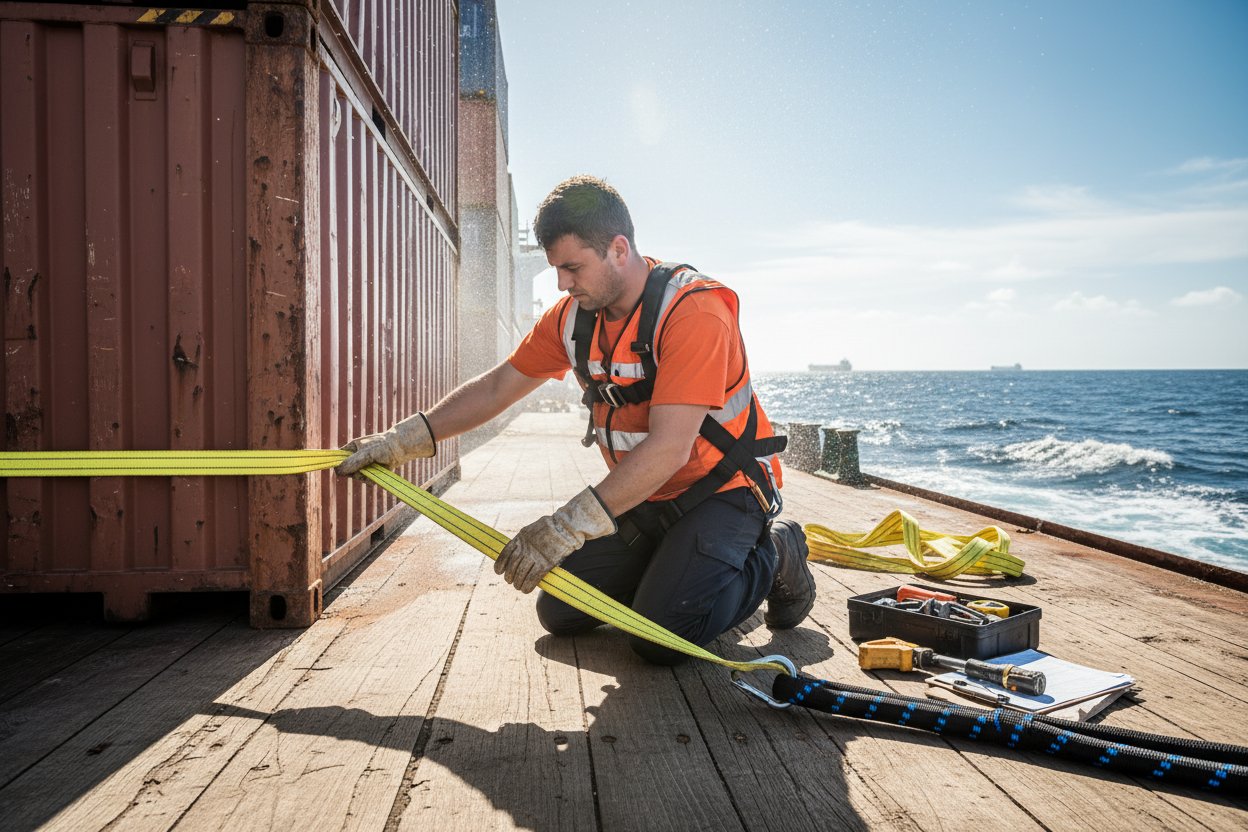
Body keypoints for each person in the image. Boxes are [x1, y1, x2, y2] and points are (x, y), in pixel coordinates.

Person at [339, 175, 815, 664]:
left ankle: (779, 551)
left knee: (660, 637)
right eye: (557, 271)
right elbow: (500, 385)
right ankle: (675, 569)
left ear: (618, 248)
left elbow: (671, 448)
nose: (563, 284)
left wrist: (566, 527)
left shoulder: (694, 311)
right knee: (560, 612)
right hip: (649, 494)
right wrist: (404, 439)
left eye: (572, 268)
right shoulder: (572, 319)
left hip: (724, 493)